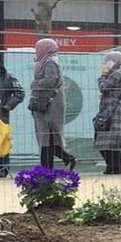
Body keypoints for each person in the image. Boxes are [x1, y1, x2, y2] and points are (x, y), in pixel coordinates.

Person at [30, 37, 76, 172]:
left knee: (48, 136)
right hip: (44, 104)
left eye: (38, 48)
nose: (36, 50)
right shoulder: (44, 61)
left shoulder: (50, 62)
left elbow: (50, 81)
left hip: (50, 105)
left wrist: (34, 84)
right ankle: (64, 160)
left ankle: (47, 170)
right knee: (47, 137)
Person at [94, 50, 121, 174]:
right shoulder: (114, 75)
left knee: (109, 142)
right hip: (108, 112)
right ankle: (113, 167)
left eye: (108, 61)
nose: (105, 64)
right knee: (108, 142)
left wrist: (103, 75)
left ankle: (115, 167)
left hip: (112, 114)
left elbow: (103, 86)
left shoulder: (116, 75)